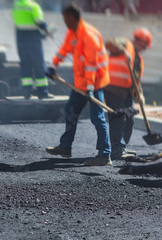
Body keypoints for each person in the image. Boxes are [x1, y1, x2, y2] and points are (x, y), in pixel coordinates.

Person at [44, 2, 112, 166]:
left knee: (97, 117)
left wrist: (90, 87)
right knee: (70, 111)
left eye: (65, 18)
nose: (64, 21)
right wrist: (53, 65)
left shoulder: (88, 35)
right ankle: (65, 147)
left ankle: (105, 154)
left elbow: (91, 65)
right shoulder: (72, 32)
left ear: (71, 17)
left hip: (94, 83)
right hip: (81, 83)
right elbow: (64, 50)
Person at [104, 27, 151, 160]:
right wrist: (124, 51)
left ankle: (122, 146)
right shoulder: (125, 44)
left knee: (129, 120)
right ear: (140, 41)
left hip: (126, 92)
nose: (145, 49)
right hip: (113, 88)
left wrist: (139, 95)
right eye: (145, 45)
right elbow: (109, 42)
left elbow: (136, 81)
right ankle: (117, 150)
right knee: (119, 118)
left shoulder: (139, 60)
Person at [12, 0, 52, 99]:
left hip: (20, 38)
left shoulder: (15, 5)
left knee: (25, 65)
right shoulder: (33, 6)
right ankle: (43, 92)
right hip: (33, 39)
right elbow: (39, 20)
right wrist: (47, 29)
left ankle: (27, 93)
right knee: (39, 65)